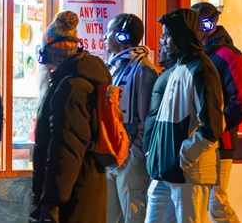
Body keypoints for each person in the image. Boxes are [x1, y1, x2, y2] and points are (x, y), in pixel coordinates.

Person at [144, 8, 224, 223]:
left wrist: (184, 157)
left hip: (188, 173)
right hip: (167, 169)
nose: (162, 41)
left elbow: (213, 126)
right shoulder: (179, 67)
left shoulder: (201, 69)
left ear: (182, 37)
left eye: (167, 35)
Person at [31, 11, 111, 223]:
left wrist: (51, 203)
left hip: (74, 200)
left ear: (50, 55)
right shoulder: (82, 80)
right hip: (86, 188)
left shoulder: (71, 88)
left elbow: (67, 150)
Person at [190, 2, 242, 223]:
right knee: (201, 201)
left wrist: (217, 126)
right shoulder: (196, 56)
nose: (201, 28)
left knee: (216, 202)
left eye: (205, 23)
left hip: (219, 141)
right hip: (197, 139)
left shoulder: (228, 55)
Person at [104, 13, 158, 223]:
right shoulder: (115, 68)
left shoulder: (144, 70)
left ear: (121, 36)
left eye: (109, 32)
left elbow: (146, 120)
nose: (105, 37)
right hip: (113, 154)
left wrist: (134, 153)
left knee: (133, 215)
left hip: (130, 158)